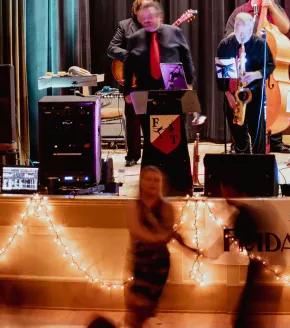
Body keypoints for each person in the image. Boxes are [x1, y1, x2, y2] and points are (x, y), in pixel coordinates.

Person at [125, 166, 198, 328]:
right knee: (136, 308)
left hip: (159, 265)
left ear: (161, 184)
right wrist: (160, 236)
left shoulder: (167, 207)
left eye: (156, 180)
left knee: (146, 308)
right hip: (140, 262)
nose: (152, 183)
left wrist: (187, 246)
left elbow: (167, 234)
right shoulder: (134, 206)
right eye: (148, 179)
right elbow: (137, 231)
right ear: (141, 182)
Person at [225, 0, 290, 154]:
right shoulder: (240, 11)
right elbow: (229, 35)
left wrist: (271, 7)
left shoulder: (275, 9)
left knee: (269, 104)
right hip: (246, 70)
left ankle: (275, 140)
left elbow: (285, 27)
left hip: (268, 71)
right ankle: (241, 143)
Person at [221, 179, 284, 327]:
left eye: (224, 189)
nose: (223, 194)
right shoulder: (249, 210)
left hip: (262, 271)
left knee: (248, 317)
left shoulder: (247, 213)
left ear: (231, 190)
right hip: (263, 270)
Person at [217, 13, 275, 155]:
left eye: (245, 32)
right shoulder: (225, 45)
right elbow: (221, 74)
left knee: (257, 133)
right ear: (235, 27)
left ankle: (259, 165)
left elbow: (270, 66)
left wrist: (255, 74)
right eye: (238, 32)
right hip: (233, 95)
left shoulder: (259, 44)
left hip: (254, 94)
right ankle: (241, 162)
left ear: (251, 29)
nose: (241, 36)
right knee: (237, 134)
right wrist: (228, 95)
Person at [107, 0, 156, 167]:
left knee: (152, 117)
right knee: (133, 119)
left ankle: (153, 155)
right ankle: (133, 155)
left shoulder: (155, 25)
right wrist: (130, 56)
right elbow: (112, 48)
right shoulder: (125, 25)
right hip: (133, 79)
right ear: (135, 10)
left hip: (152, 78)